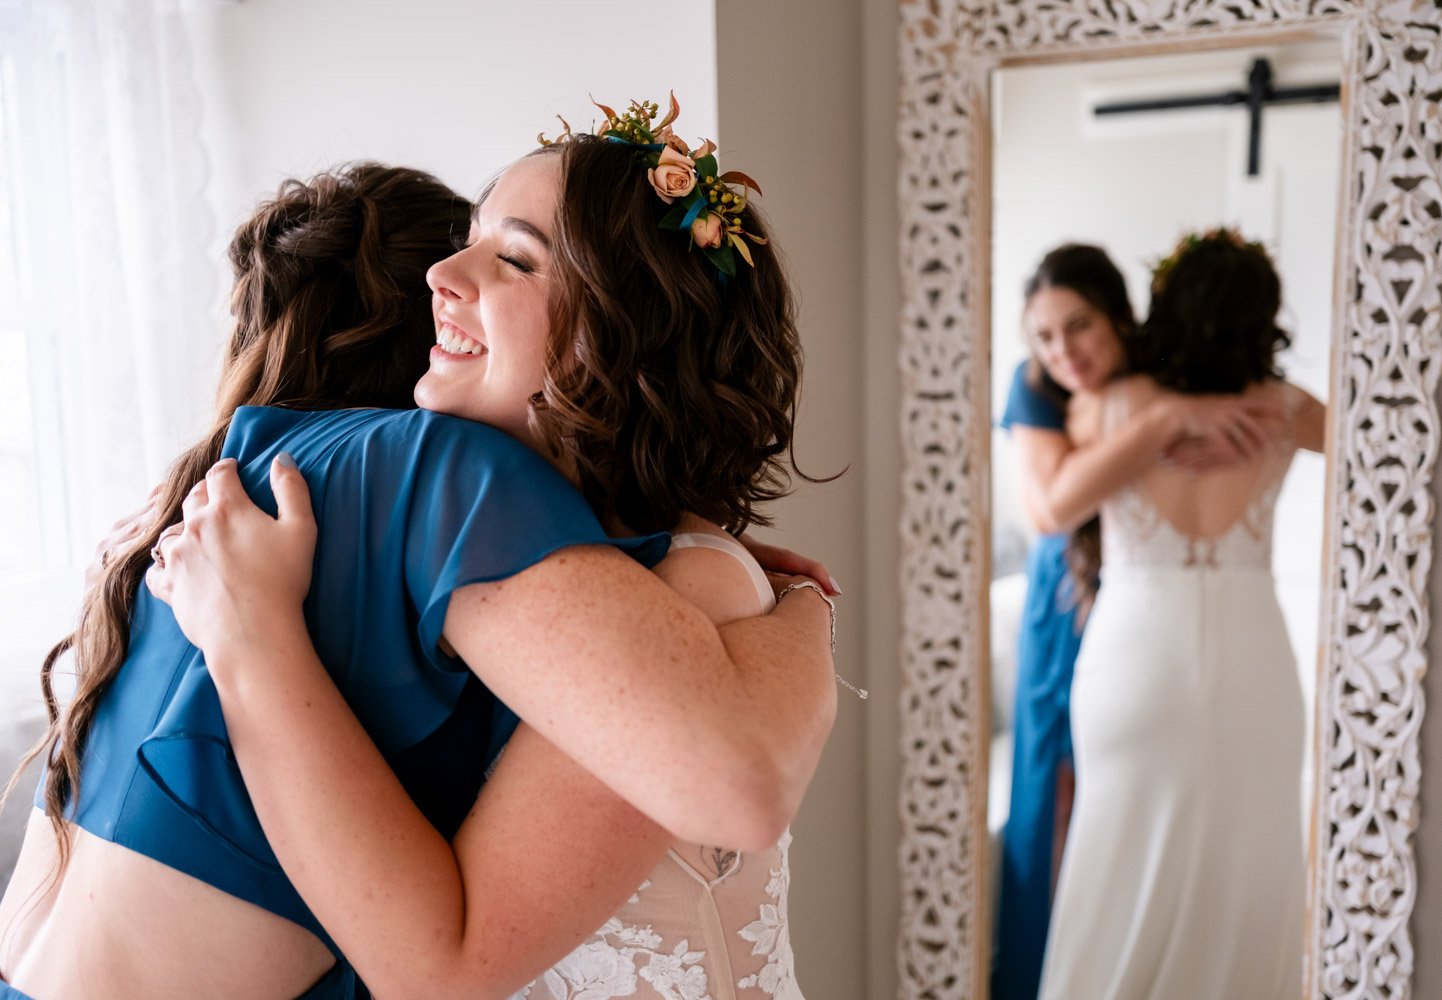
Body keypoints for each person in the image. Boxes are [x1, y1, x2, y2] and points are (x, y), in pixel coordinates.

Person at [0, 141, 837, 999]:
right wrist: (806, 600)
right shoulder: (438, 474)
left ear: (629, 331)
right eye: (463, 240)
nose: (445, 272)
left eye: (512, 258)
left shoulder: (225, 494)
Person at [1037, 229, 1325, 1000]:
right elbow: (1380, 433)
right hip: (1254, 658)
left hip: (1134, 657)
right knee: (1251, 864)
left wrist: (1173, 418)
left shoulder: (1111, 407)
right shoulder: (1289, 412)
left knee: (1115, 861)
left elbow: (1055, 500)